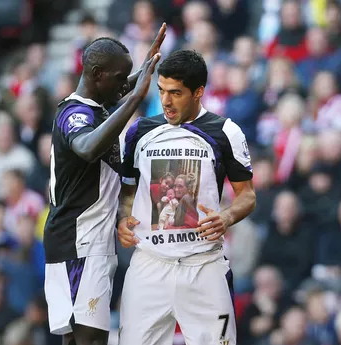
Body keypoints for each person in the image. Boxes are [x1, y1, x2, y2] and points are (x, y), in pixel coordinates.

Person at [117, 50, 256, 345]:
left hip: (204, 266)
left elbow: (247, 195)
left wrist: (227, 216)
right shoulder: (140, 131)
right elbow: (127, 190)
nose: (166, 101)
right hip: (149, 265)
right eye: (162, 91)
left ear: (198, 92)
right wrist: (122, 218)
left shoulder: (225, 132)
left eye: (176, 93)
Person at [43, 24, 166, 345]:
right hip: (80, 242)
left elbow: (118, 89)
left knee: (76, 340)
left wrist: (144, 69)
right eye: (118, 79)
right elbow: (87, 147)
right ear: (97, 74)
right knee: (91, 340)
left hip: (82, 240)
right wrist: (135, 97)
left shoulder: (95, 107)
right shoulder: (75, 114)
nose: (124, 87)